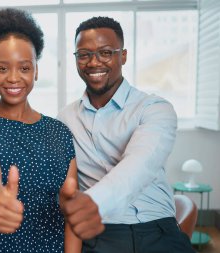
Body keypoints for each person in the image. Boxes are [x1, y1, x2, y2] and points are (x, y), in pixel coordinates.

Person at [57, 16, 195, 253]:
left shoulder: (154, 108)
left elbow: (139, 165)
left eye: (105, 52)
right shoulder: (65, 118)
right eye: (84, 54)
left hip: (157, 229)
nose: (93, 62)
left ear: (123, 56)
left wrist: (93, 203)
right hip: (101, 233)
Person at [0, 8, 87, 253]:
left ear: (36, 71)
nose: (13, 78)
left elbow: (71, 213)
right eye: (3, 68)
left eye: (24, 68)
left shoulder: (59, 132)